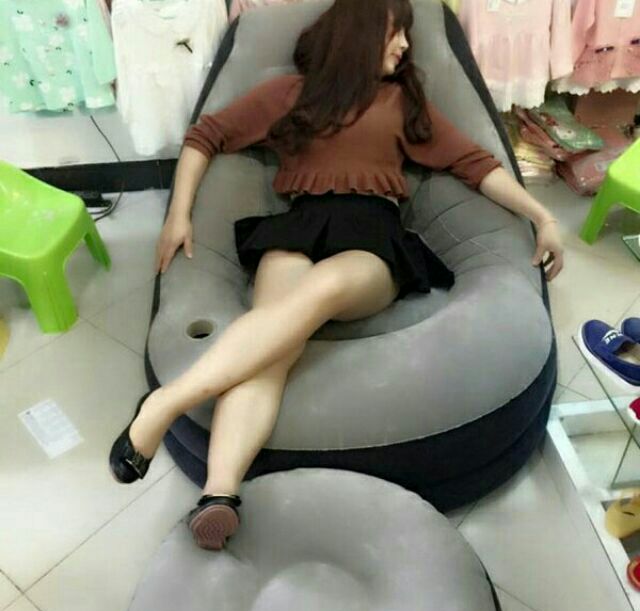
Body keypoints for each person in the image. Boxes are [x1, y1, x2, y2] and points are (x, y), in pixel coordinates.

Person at [109, 0, 564, 551]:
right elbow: (205, 137)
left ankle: (164, 403)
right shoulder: (290, 95)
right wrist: (178, 216)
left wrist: (541, 216)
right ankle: (219, 493)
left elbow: (476, 163)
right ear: (359, 33)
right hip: (299, 228)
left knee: (316, 293)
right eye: (396, 33)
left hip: (371, 238)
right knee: (272, 343)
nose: (404, 46)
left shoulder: (402, 102)